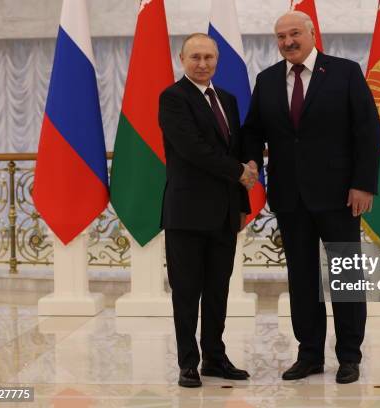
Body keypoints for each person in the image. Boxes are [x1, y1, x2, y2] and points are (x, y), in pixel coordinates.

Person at [242, 11, 380, 384]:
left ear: (311, 33)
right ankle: (309, 356)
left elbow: (368, 130)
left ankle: (350, 356)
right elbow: (253, 130)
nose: (287, 41)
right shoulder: (267, 79)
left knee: (345, 278)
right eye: (280, 36)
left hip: (341, 195)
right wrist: (252, 161)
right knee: (302, 279)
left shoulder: (345, 71)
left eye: (294, 34)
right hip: (290, 197)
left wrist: (364, 183)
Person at [158, 33, 258, 388]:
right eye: (195, 57)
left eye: (209, 58)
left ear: (217, 60)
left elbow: (234, 149)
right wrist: (239, 172)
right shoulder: (173, 98)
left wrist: (243, 201)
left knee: (218, 289)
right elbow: (192, 148)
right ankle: (188, 363)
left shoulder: (227, 100)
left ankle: (215, 357)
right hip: (186, 213)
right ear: (182, 59)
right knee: (187, 292)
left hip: (224, 214)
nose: (203, 64)